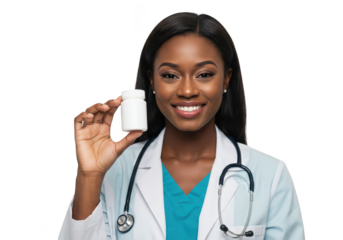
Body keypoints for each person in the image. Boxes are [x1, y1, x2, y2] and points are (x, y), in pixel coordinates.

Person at [57, 11, 305, 240]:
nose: (187, 90)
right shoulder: (113, 171)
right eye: (170, 75)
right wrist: (89, 176)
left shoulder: (270, 175)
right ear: (152, 80)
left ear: (226, 78)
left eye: (204, 74)